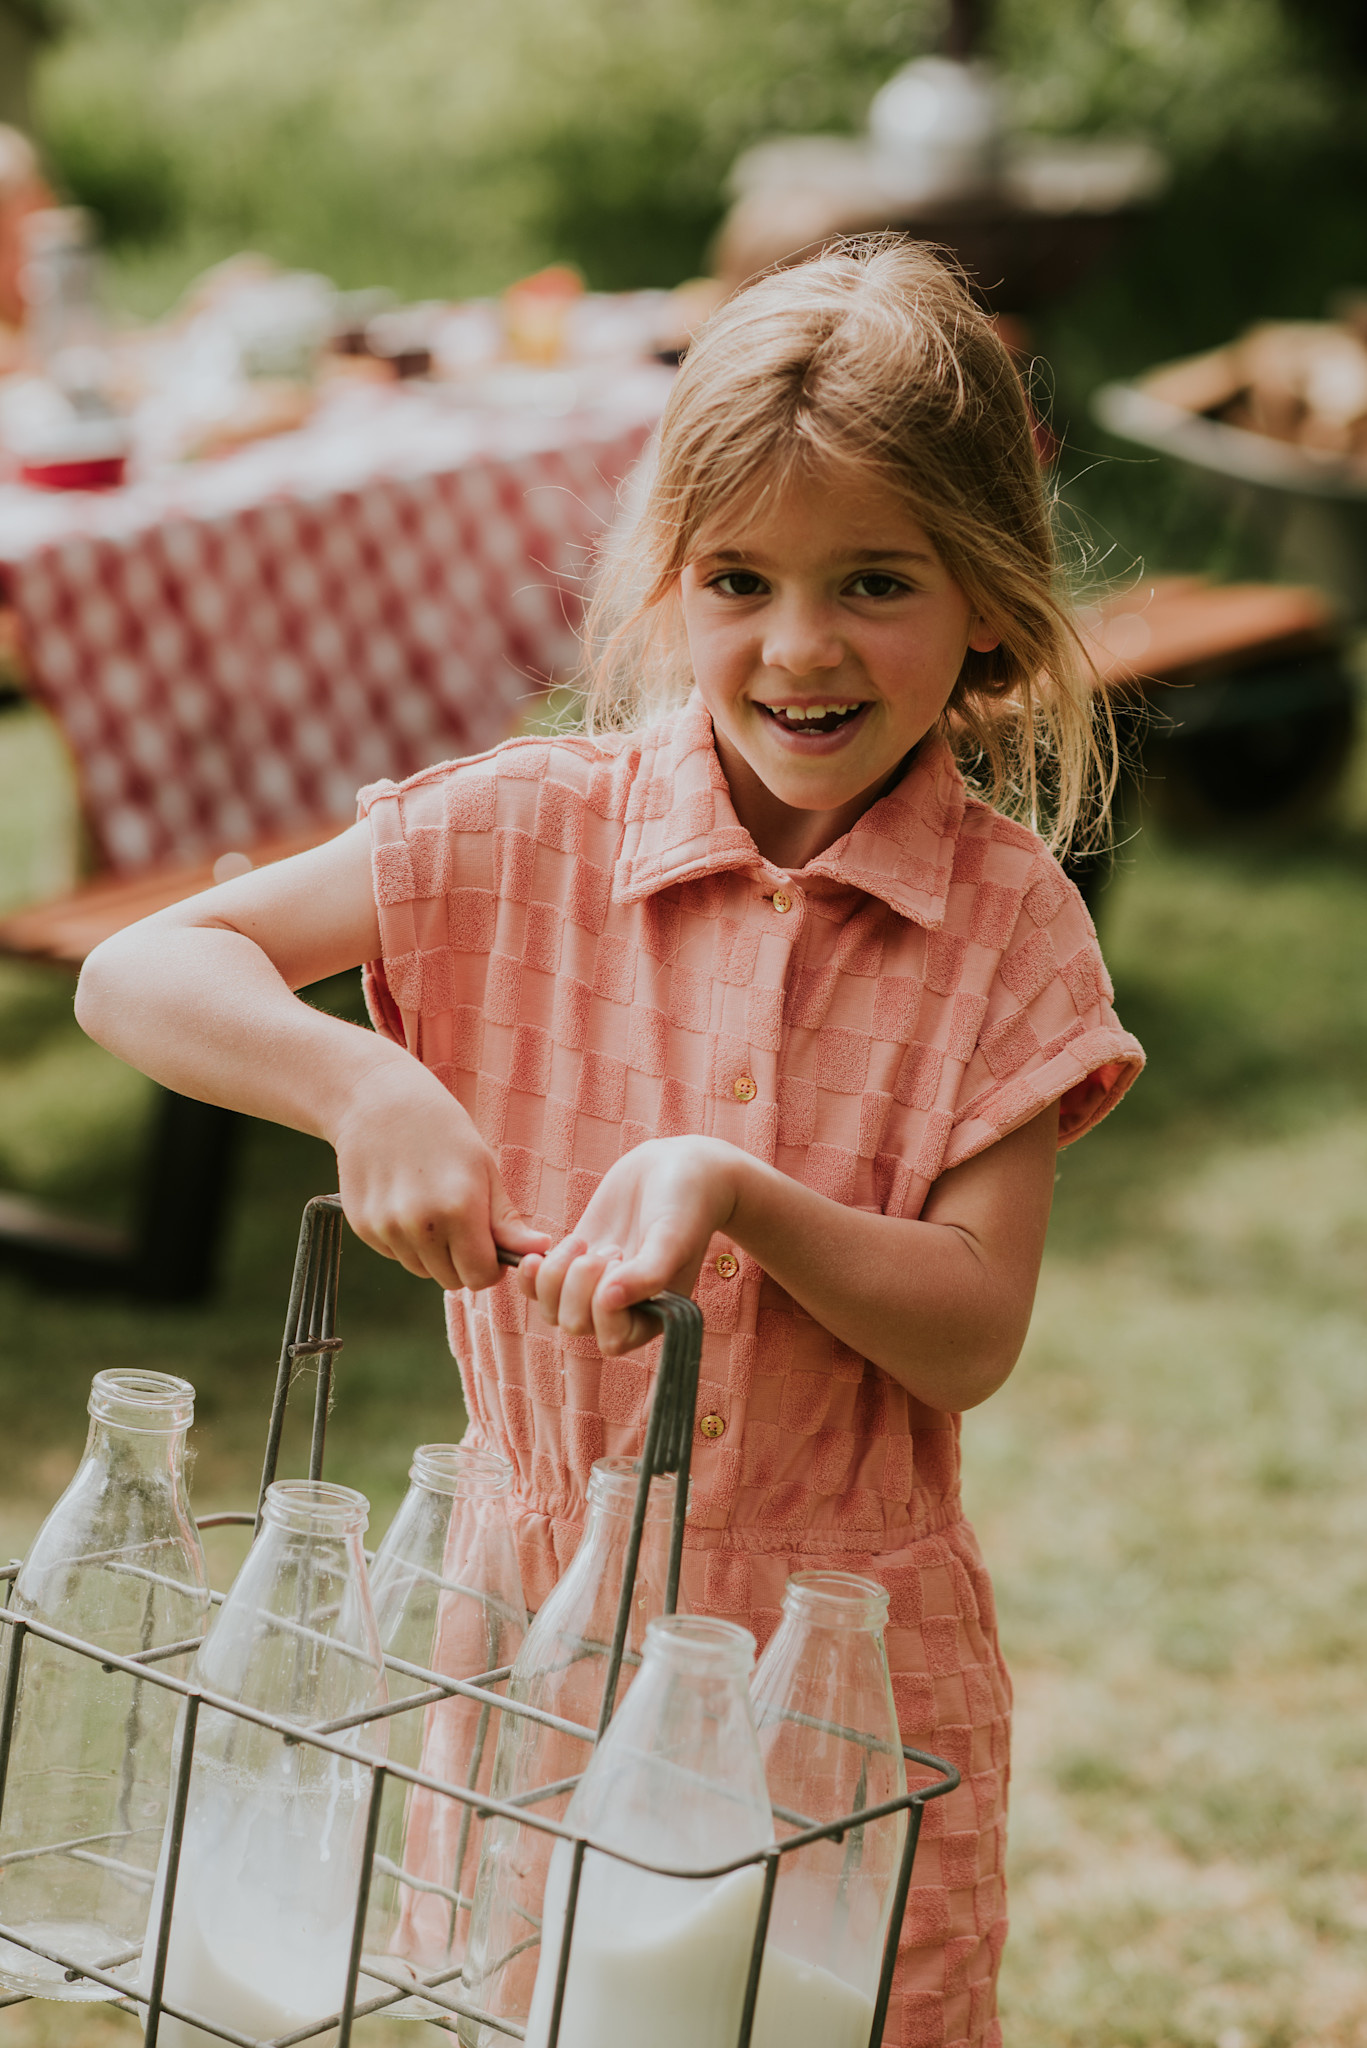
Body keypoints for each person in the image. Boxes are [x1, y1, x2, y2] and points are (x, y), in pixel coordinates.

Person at [75, 238, 1143, 2047]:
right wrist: (369, 1088)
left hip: (838, 1663)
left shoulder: (1008, 922)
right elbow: (138, 971)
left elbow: (973, 1327)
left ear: (988, 607)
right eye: (741, 579)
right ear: (668, 589)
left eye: (874, 581)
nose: (800, 646)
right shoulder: (519, 837)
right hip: (535, 1633)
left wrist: (745, 1204)